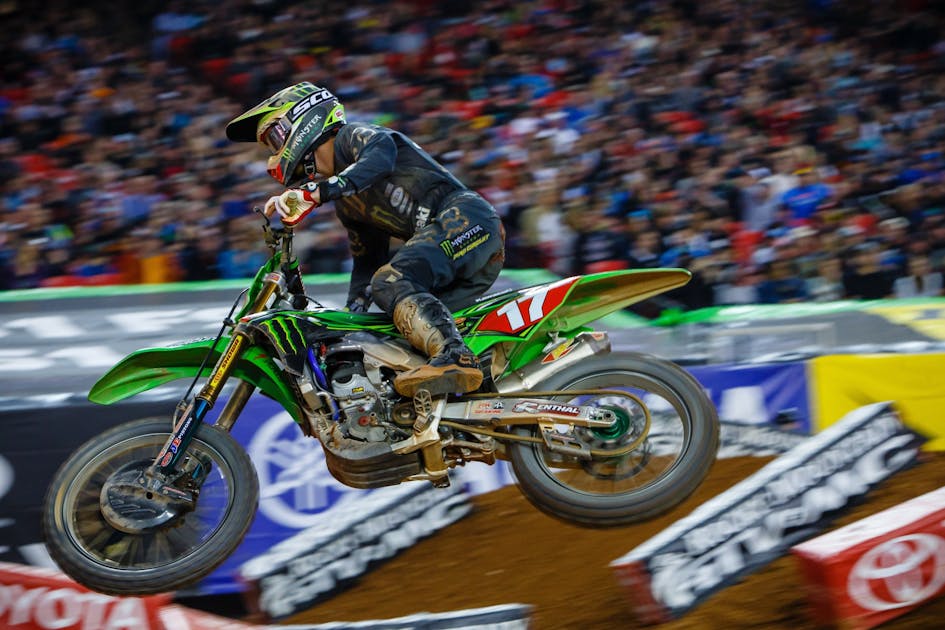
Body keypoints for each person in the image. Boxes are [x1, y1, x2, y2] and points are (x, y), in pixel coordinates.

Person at [225, 82, 504, 398]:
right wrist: (348, 319)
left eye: (275, 138)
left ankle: (455, 356)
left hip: (468, 219)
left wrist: (316, 193)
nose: (273, 154)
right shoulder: (349, 204)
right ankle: (471, 393)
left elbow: (380, 159)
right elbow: (367, 264)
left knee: (391, 281)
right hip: (456, 253)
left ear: (305, 119)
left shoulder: (353, 136)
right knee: (395, 327)